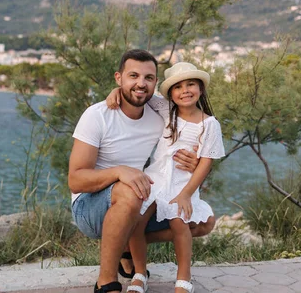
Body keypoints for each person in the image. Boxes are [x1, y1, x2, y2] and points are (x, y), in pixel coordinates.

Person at [68, 50, 215, 293]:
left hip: (135, 200)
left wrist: (195, 160)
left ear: (155, 83)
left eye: (148, 78)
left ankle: (125, 246)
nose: (140, 83)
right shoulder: (97, 116)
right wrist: (119, 172)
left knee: (203, 221)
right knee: (131, 191)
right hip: (90, 207)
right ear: (119, 78)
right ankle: (106, 282)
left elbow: (189, 128)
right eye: (133, 76)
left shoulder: (161, 116)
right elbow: (75, 181)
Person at [106, 62, 225, 293]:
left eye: (191, 84)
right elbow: (139, 95)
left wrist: (186, 194)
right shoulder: (165, 109)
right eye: (178, 87)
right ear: (170, 93)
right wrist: (115, 91)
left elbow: (206, 163)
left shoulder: (209, 124)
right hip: (155, 178)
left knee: (180, 222)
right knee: (137, 221)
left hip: (182, 184)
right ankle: (139, 274)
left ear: (201, 88)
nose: (185, 91)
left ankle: (184, 279)